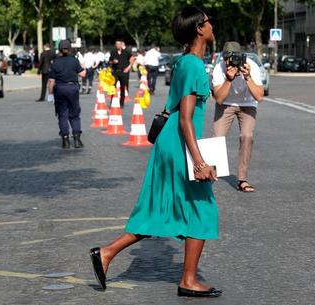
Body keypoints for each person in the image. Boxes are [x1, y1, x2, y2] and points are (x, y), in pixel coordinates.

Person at [89, 6, 222, 298]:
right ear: (199, 28)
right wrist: (199, 161)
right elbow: (186, 117)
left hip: (174, 142)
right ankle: (188, 279)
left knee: (160, 209)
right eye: (209, 21)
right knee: (203, 208)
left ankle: (107, 253)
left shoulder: (189, 62)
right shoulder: (193, 65)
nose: (213, 25)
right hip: (179, 143)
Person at [212, 41, 264, 192]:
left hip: (248, 103)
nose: (231, 62)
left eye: (234, 58)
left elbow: (259, 97)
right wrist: (229, 79)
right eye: (227, 58)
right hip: (226, 103)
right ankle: (211, 174)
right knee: (217, 137)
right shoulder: (219, 68)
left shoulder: (251, 66)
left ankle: (242, 179)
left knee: (247, 136)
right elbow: (219, 99)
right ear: (224, 58)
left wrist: (247, 77)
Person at [47, 40, 86, 149]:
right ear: (70, 49)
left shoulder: (55, 63)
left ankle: (65, 140)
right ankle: (77, 139)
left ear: (59, 50)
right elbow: (82, 74)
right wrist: (83, 65)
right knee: (74, 114)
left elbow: (51, 81)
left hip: (60, 89)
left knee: (62, 115)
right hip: (72, 88)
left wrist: (50, 94)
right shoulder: (74, 61)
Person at [109, 39, 135, 108]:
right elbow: (110, 61)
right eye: (116, 44)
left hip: (123, 71)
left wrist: (128, 67)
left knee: (123, 88)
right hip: (115, 71)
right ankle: (112, 102)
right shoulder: (113, 52)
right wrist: (113, 62)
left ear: (121, 45)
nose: (117, 45)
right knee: (112, 87)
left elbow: (133, 58)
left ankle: (121, 103)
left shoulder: (126, 52)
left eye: (118, 44)